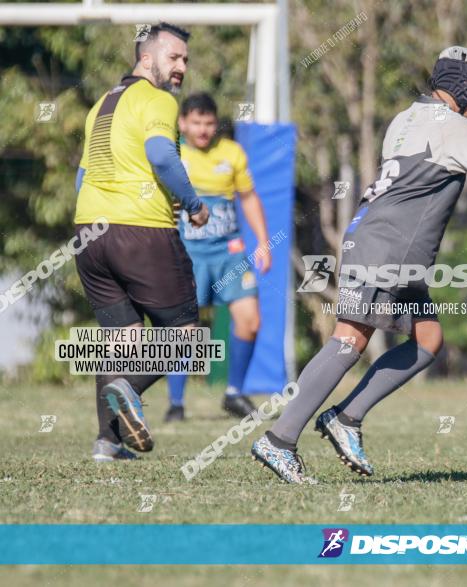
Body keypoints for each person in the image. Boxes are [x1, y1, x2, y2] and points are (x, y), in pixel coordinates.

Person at [250, 46, 467, 484]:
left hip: (376, 238)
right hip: (387, 248)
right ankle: (279, 441)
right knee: (349, 340)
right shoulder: (455, 129)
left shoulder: (406, 117)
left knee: (428, 339)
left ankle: (347, 418)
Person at [74, 22, 209, 461]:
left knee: (121, 341)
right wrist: (192, 202)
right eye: (174, 57)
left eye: (185, 59)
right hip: (142, 230)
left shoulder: (102, 104)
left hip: (89, 232)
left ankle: (107, 442)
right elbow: (159, 154)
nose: (182, 67)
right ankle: (128, 388)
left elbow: (81, 175)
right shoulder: (158, 100)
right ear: (146, 58)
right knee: (187, 338)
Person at [164, 92, 271, 422]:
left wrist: (263, 242)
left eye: (209, 123)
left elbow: (249, 198)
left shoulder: (232, 152)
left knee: (250, 321)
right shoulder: (171, 152)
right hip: (188, 255)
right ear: (183, 123)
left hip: (230, 252)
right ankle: (176, 404)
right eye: (196, 123)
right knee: (185, 331)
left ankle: (234, 394)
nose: (202, 130)